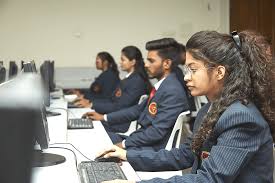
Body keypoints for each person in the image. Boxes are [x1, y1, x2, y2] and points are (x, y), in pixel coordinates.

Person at [99, 30, 275, 183]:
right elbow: (185, 155)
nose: (186, 77)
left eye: (193, 69)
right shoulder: (210, 109)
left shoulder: (242, 118)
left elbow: (209, 180)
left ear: (220, 72)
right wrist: (127, 155)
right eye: (186, 70)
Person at [84, 38, 190, 151]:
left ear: (167, 63)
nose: (146, 65)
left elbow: (155, 133)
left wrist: (124, 144)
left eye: (151, 61)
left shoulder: (172, 91)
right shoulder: (164, 86)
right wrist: (104, 117)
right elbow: (137, 110)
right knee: (92, 134)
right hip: (140, 140)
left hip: (149, 150)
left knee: (93, 139)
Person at [77, 46, 152, 133]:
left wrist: (93, 106)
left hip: (121, 124)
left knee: (82, 128)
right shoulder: (129, 79)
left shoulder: (136, 81)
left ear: (133, 62)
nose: (120, 62)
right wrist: (92, 103)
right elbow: (111, 99)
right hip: (115, 119)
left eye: (123, 60)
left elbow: (120, 106)